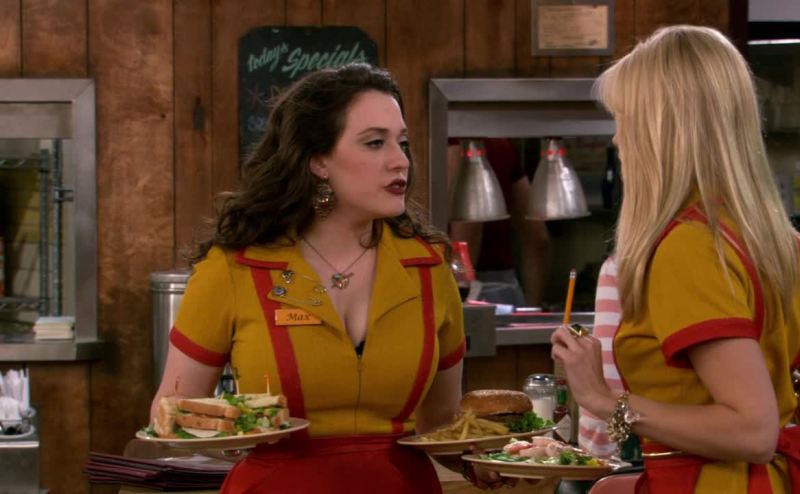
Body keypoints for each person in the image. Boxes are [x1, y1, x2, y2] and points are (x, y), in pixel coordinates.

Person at [150, 63, 466, 493]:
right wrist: (236, 429)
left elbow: (441, 423)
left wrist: (485, 462)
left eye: (402, 142)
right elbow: (170, 412)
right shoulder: (235, 269)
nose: (400, 161)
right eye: (375, 142)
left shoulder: (429, 268)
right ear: (318, 161)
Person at [550, 25, 800, 493]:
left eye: (625, 120)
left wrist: (603, 399)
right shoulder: (769, 237)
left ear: (660, 130)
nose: (617, 140)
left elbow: (753, 430)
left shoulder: (689, 246)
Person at [447, 138, 550, 307]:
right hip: (506, 292)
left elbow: (466, 233)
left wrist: (457, 296)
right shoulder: (500, 143)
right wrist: (531, 309)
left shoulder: (451, 143)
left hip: (467, 292)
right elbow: (538, 237)